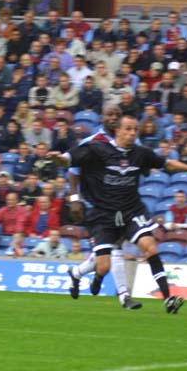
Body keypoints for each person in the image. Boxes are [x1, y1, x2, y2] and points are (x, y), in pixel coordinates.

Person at [53, 114, 187, 314]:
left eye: (134, 130)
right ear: (117, 131)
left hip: (131, 211)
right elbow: (68, 161)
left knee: (151, 247)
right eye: (127, 129)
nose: (131, 133)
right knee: (103, 266)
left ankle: (168, 298)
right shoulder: (96, 149)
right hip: (103, 215)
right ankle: (78, 274)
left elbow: (166, 164)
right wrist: (58, 159)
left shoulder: (140, 153)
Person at [65, 105, 142, 310]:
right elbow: (74, 170)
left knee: (106, 257)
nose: (114, 118)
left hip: (122, 205)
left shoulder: (128, 143)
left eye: (118, 115)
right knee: (112, 251)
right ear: (102, 118)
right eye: (110, 115)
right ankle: (124, 296)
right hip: (97, 205)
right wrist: (74, 197)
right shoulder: (91, 143)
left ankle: (77, 273)